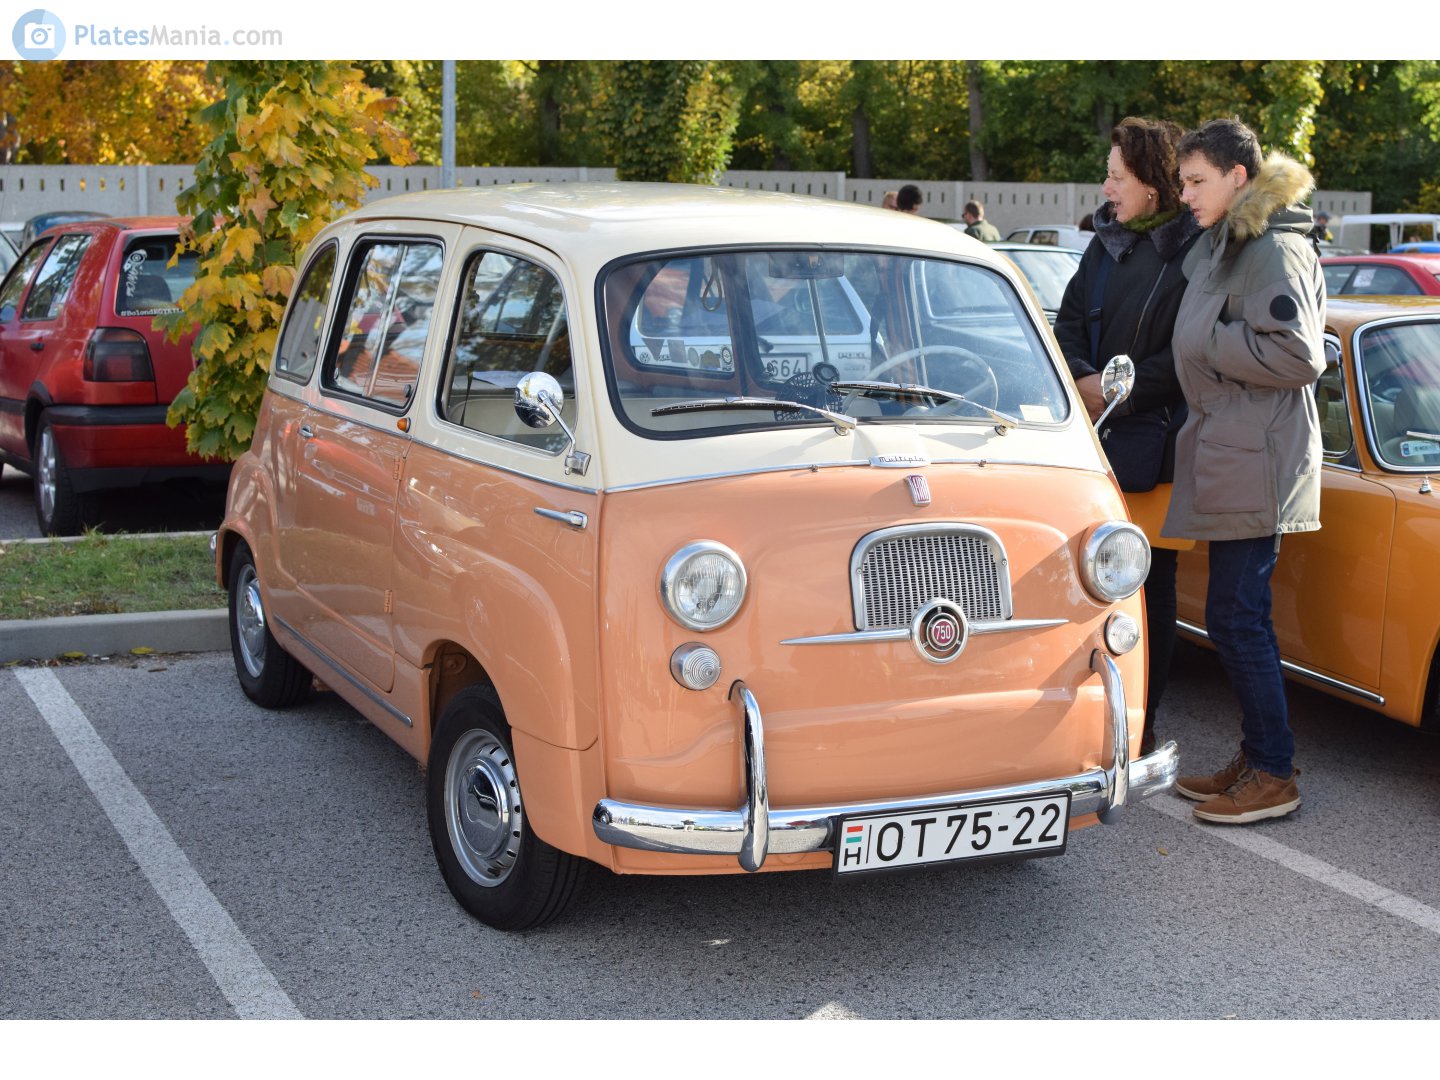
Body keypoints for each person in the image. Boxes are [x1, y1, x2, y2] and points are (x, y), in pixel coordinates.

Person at [1166, 117, 1326, 824]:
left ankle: (1272, 770)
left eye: (1196, 180)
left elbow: (1300, 358)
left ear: (1239, 177)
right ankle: (1260, 754)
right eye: (1181, 180)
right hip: (1233, 450)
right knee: (1236, 615)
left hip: (1258, 458)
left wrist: (1207, 338)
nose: (1185, 193)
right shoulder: (1231, 242)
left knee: (1238, 617)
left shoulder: (1274, 249)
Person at [1053, 116, 1204, 758]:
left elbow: (1189, 354)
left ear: (1149, 183)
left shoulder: (1193, 250)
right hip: (1093, 443)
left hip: (1155, 446)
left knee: (1150, 586)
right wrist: (1084, 380)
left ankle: (1140, 726)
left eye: (1117, 175)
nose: (1106, 186)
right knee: (1090, 581)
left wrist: (1123, 390)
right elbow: (1065, 325)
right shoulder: (1102, 244)